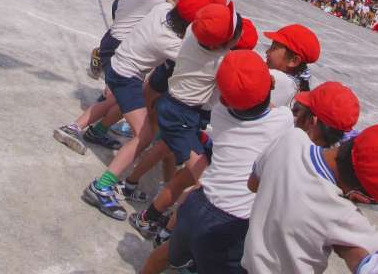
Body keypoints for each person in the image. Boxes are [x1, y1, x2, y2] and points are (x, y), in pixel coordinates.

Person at [82, 0, 228, 220]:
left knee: (145, 124)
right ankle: (102, 186)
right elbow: (192, 58)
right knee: (145, 134)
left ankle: (98, 138)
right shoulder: (176, 45)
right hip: (131, 77)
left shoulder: (163, 10)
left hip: (126, 68)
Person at [155, 50, 294, 274]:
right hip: (232, 222)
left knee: (170, 253)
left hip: (198, 202)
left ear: (224, 99)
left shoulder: (220, 113)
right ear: (271, 85)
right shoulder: (284, 120)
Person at [130, 2, 243, 237]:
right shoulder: (221, 61)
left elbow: (206, 27)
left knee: (166, 150)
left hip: (173, 105)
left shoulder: (192, 31)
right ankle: (156, 220)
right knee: (204, 177)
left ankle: (137, 188)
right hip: (182, 116)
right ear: (223, 44)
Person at [54, 0, 174, 154]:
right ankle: (77, 128)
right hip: (121, 47)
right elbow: (169, 7)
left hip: (111, 39)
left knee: (115, 95)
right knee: (114, 94)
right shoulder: (157, 1)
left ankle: (84, 129)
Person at [243, 125, 378, 273]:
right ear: (359, 195)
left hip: (248, 265)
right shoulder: (343, 214)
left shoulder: (291, 138)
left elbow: (252, 185)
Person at [264, 23, 321, 105]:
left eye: (273, 48)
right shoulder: (302, 80)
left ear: (293, 61)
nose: (267, 52)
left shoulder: (275, 79)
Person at [292, 82, 360, 147]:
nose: (295, 117)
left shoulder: (293, 145)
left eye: (297, 113)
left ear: (312, 121)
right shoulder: (342, 150)